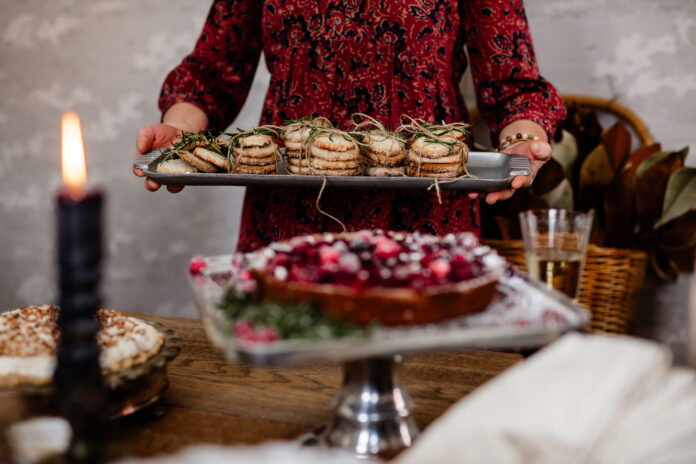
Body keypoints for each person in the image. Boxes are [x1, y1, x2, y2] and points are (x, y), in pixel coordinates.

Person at [133, 0, 565, 252]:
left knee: (426, 386)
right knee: (283, 389)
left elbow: (513, 83)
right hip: (289, 216)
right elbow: (213, 70)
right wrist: (179, 132)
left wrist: (524, 140)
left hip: (425, 218)